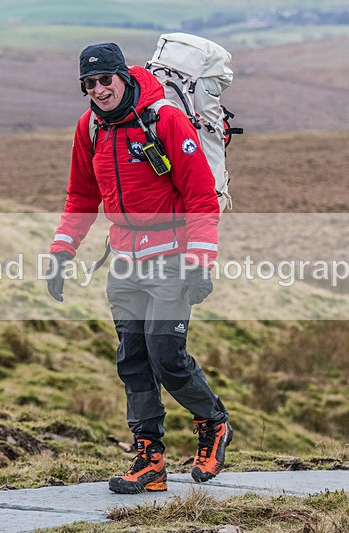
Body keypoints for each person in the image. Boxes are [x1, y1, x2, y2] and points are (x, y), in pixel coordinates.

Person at [45, 42, 232, 494]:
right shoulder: (90, 127)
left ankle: (213, 423)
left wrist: (200, 262)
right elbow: (81, 197)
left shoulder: (164, 119)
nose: (98, 90)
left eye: (104, 80)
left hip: (170, 256)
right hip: (124, 261)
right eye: (88, 85)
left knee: (166, 355)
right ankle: (149, 459)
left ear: (122, 76)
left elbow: (201, 195)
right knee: (133, 361)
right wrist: (61, 252)